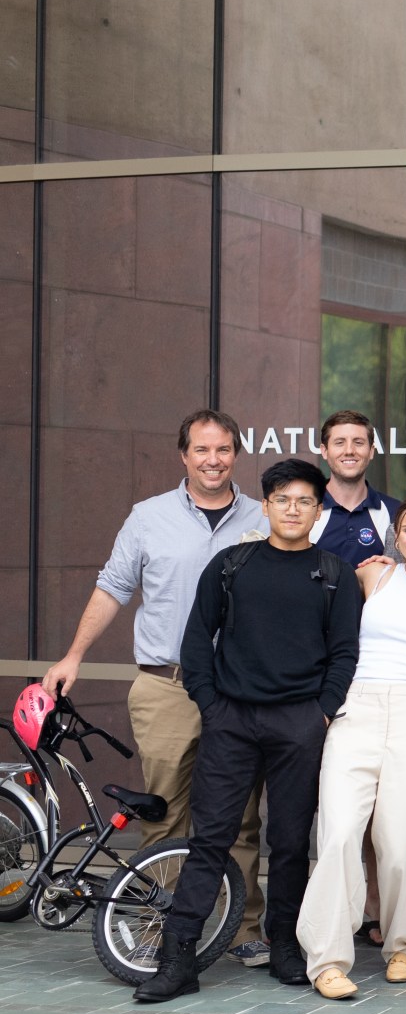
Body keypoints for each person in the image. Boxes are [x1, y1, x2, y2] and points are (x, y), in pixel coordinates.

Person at [43, 409, 271, 967]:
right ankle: (157, 924)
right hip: (166, 688)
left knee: (239, 816)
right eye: (201, 450)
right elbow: (113, 587)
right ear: (183, 456)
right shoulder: (148, 517)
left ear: (235, 454)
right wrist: (74, 655)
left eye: (222, 450)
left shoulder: (264, 519)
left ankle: (243, 931)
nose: (212, 460)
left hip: (238, 693)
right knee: (164, 811)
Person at [136, 458, 363, 1002]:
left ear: (318, 509)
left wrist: (322, 713)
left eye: (304, 501)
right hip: (231, 720)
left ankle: (283, 946)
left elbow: (345, 655)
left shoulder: (333, 574)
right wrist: (212, 706)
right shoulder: (231, 565)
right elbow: (197, 640)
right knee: (209, 840)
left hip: (298, 723)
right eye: (282, 499)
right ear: (266, 506)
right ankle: (178, 959)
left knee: (288, 843)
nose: (292, 509)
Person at [296, 494, 406, 999]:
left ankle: (403, 946)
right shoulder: (372, 577)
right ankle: (327, 959)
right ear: (397, 535)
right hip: (357, 706)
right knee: (340, 831)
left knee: (403, 837)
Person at [312, 410, 401, 567]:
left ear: (371, 451)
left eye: (358, 443)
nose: (349, 451)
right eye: (339, 442)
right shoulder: (306, 509)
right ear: (324, 451)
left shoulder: (395, 513)